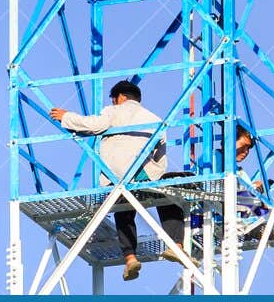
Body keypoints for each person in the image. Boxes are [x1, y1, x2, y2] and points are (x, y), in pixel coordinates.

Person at [51, 81, 185, 282]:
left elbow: (94, 125)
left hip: (118, 178)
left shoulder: (114, 111)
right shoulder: (156, 119)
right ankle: (176, 245)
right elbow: (160, 156)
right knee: (167, 196)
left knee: (122, 210)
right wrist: (153, 174)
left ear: (120, 97)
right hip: (147, 177)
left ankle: (130, 258)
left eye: (114, 99)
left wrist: (66, 117)